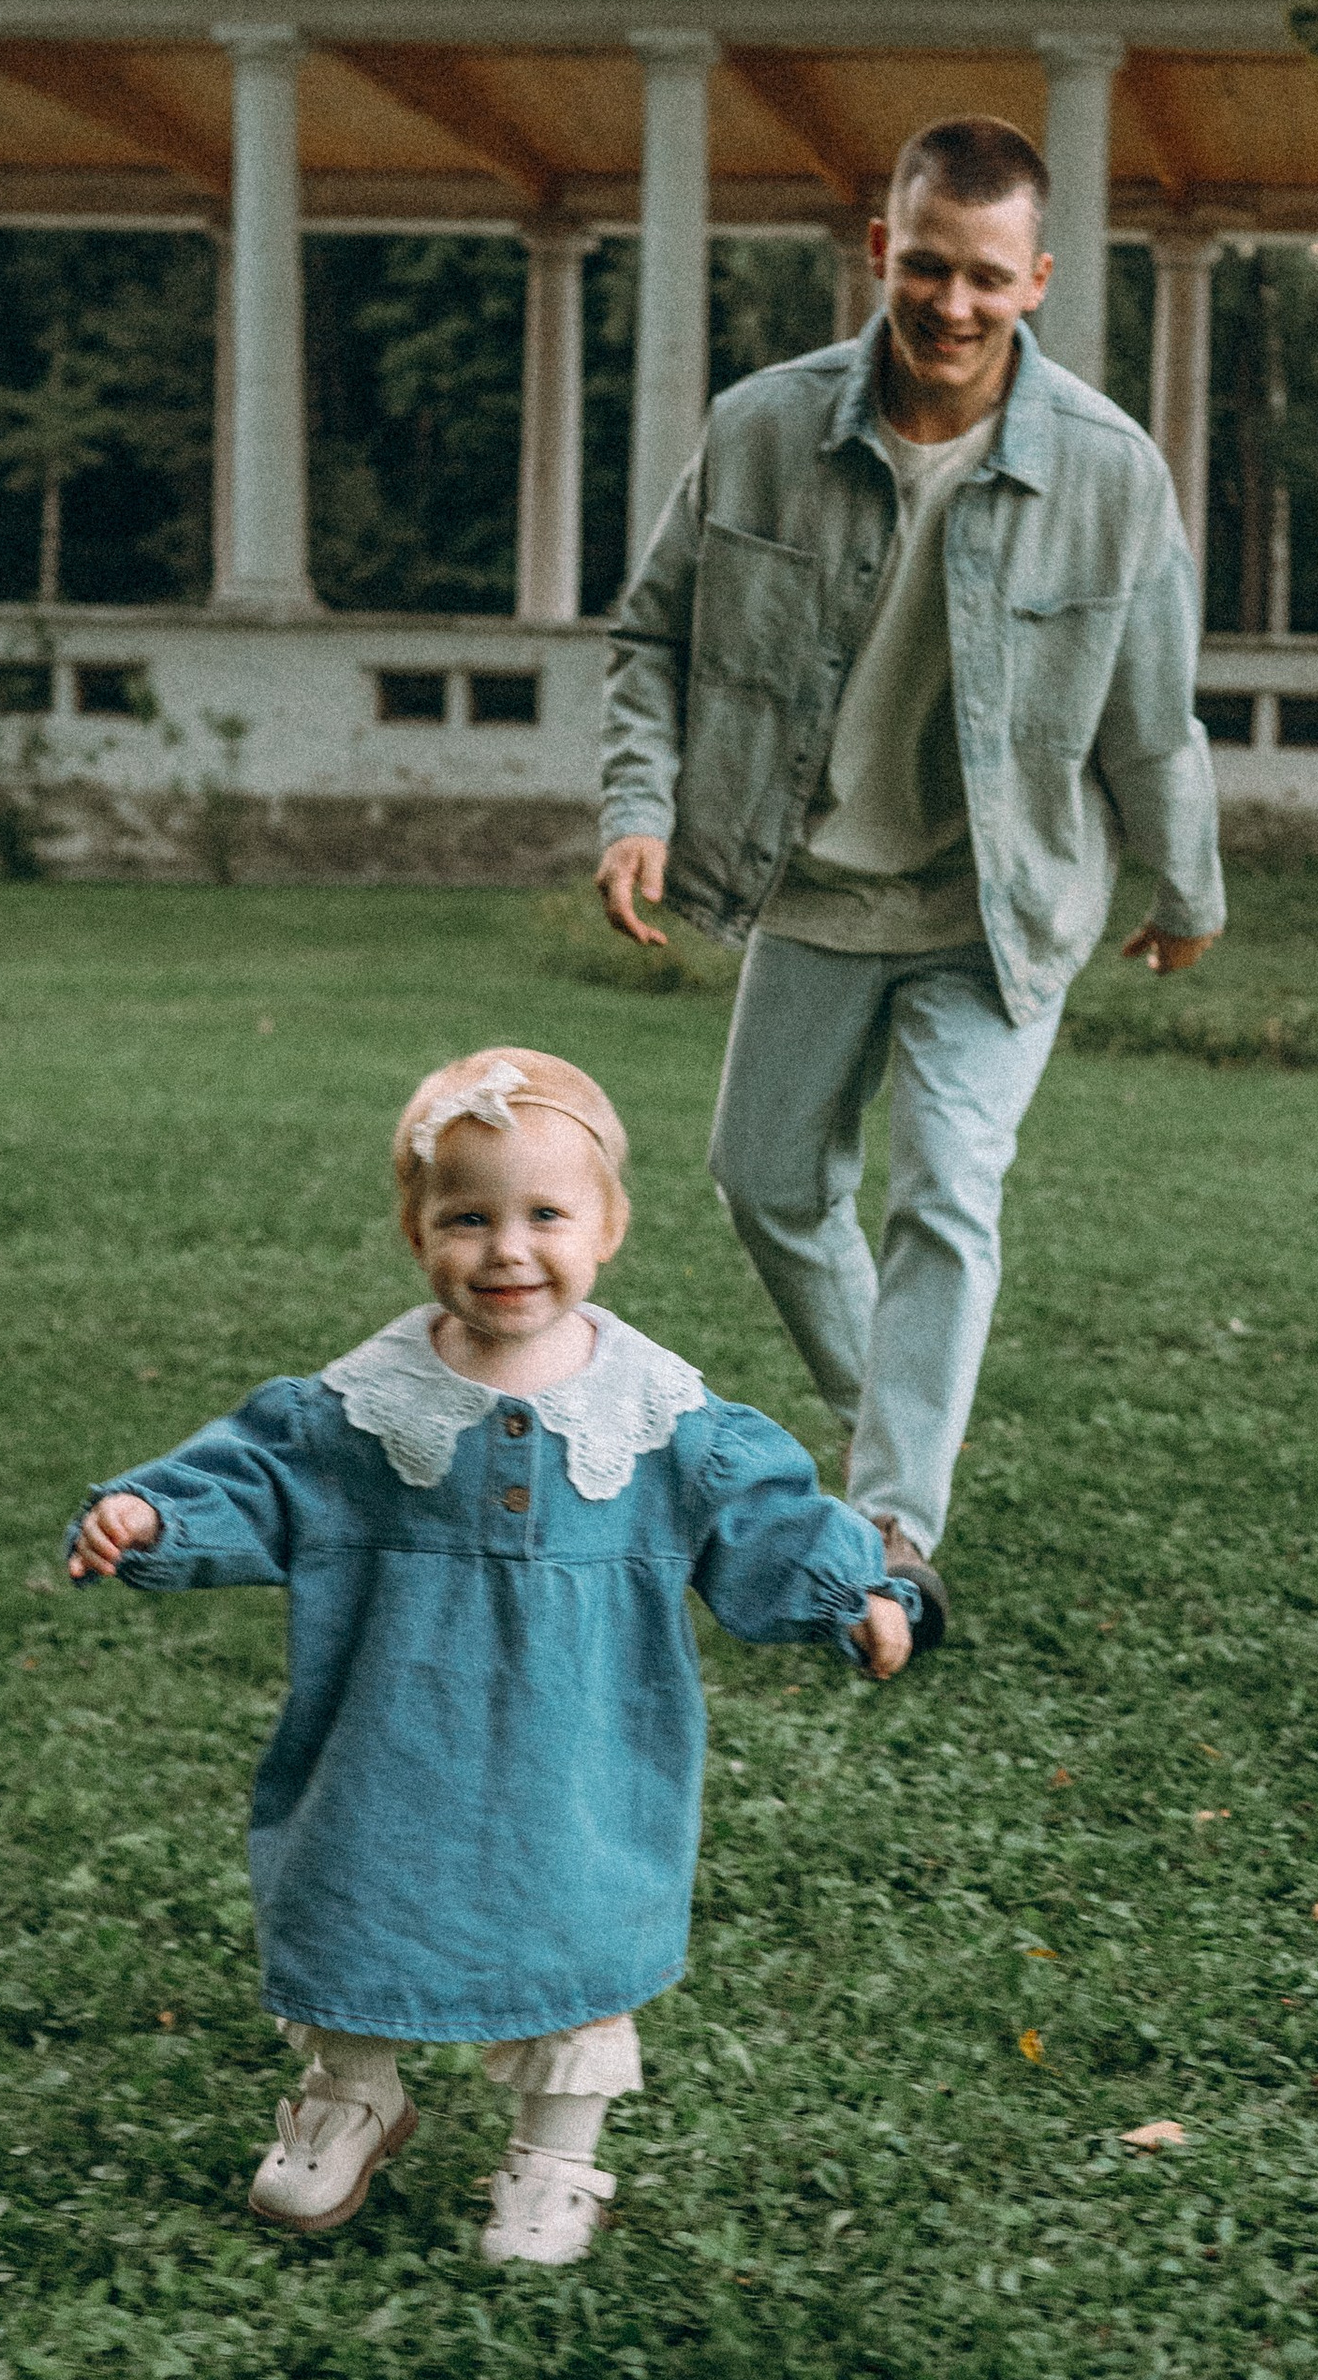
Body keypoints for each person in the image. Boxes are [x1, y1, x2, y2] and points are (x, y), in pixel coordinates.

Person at [67, 1049, 917, 2264]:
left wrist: (850, 1592)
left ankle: (556, 2156)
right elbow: (255, 1480)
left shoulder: (659, 1417)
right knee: (358, 1888)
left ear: (610, 1225)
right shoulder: (360, 1407)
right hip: (389, 1736)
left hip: (577, 1751)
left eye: (545, 1215)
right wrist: (155, 1517)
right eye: (468, 1216)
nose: (507, 1248)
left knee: (575, 1926)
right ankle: (351, 2093)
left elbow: (762, 1518)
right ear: (418, 1231)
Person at [595, 114, 1223, 1615]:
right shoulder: (762, 426)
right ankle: (897, 1417)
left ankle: (887, 1532)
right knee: (762, 1180)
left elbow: (1152, 713)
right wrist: (639, 804)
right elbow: (652, 639)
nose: (952, 304)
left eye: (987, 278)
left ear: (1039, 281)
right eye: (927, 267)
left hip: (999, 909)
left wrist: (1186, 884)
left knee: (948, 1187)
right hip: (808, 885)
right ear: (882, 251)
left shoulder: (1111, 472)